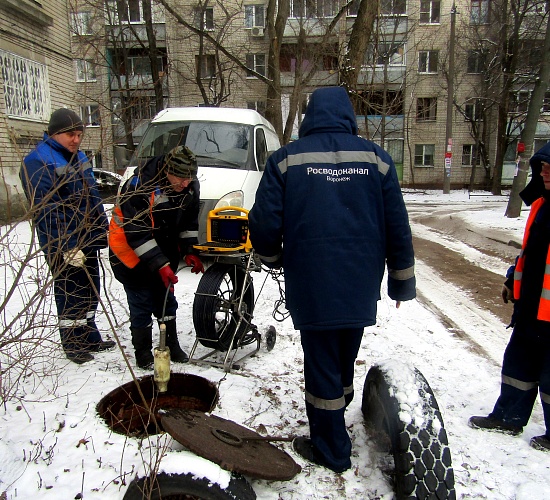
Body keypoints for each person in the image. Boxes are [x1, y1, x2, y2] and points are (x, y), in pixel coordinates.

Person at [248, 86, 416, 473]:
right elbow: (398, 226)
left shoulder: (287, 159)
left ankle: (331, 449)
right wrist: (401, 282)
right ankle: (336, 422)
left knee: (321, 361)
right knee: (343, 354)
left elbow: (264, 221)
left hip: (311, 281)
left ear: (309, 117)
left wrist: (273, 257)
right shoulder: (378, 159)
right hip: (359, 283)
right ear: (348, 116)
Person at [469, 142, 550, 452]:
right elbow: (531, 252)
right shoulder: (542, 205)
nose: (544, 171)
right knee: (517, 367)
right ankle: (508, 417)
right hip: (532, 308)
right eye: (541, 166)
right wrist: (511, 279)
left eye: (549, 167)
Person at [20, 108, 114, 364]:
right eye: (70, 135)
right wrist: (67, 246)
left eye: (79, 134)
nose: (76, 140)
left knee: (90, 289)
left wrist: (99, 229)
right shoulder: (38, 161)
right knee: (71, 291)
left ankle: (89, 334)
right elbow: (47, 211)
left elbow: (92, 197)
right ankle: (73, 343)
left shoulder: (78, 156)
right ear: (54, 133)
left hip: (87, 238)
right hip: (64, 244)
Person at [109, 145, 204, 369]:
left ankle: (171, 345)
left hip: (161, 248)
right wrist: (160, 265)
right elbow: (137, 233)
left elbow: (189, 222)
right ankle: (142, 352)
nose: (185, 184)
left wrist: (190, 251)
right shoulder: (139, 185)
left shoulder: (189, 185)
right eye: (180, 178)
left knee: (166, 300)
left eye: (190, 178)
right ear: (166, 171)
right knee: (141, 302)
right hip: (130, 252)